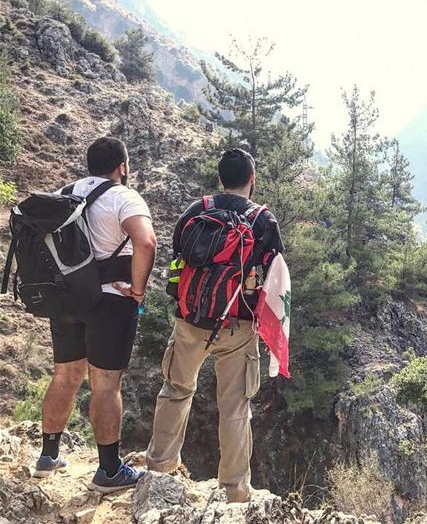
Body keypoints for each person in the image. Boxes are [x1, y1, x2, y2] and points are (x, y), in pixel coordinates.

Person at [146, 148, 283, 503]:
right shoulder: (263, 221)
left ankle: (159, 467)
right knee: (235, 407)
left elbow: (178, 259)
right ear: (251, 179)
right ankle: (235, 490)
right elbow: (275, 280)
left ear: (221, 178)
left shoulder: (198, 211)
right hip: (237, 327)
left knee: (176, 390)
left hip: (190, 320)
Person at [35, 137, 157, 493]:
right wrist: (137, 289)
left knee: (65, 375)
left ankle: (48, 456)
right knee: (105, 383)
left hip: (67, 300)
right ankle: (108, 471)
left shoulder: (64, 192)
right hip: (109, 303)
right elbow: (146, 242)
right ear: (123, 166)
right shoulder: (123, 196)